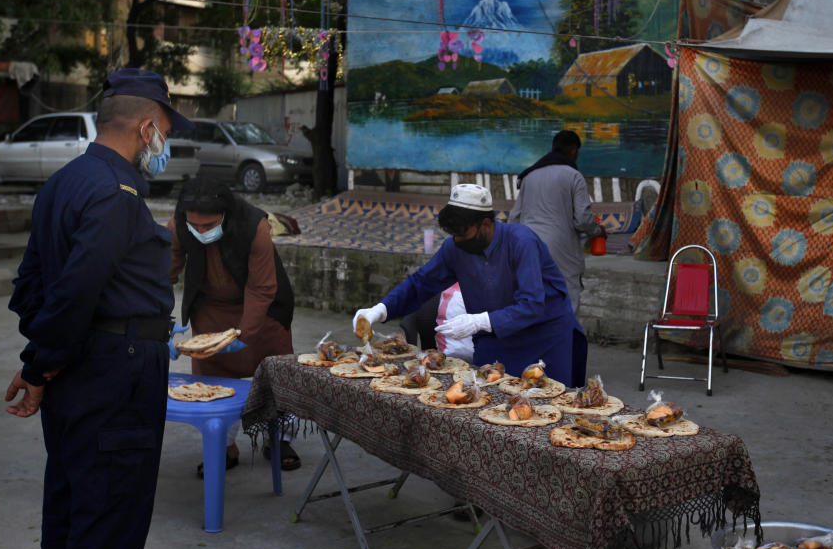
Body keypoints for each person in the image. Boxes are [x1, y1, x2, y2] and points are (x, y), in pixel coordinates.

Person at [5, 68, 193, 549]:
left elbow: (30, 289)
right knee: (107, 531)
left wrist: (42, 360)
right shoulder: (117, 193)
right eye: (166, 130)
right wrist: (43, 365)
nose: (165, 141)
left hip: (80, 375)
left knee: (68, 518)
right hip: (115, 377)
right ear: (148, 127)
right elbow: (74, 293)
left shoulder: (64, 183)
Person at [354, 184, 587, 387]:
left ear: (485, 224)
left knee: (546, 407)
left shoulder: (521, 241)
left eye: (463, 233)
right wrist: (380, 310)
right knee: (486, 404)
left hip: (545, 338)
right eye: (453, 234)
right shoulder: (455, 247)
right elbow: (420, 283)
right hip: (495, 341)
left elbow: (532, 305)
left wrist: (479, 321)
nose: (457, 241)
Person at [168, 177, 298, 474]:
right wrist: (160, 324)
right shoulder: (178, 225)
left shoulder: (255, 226)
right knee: (211, 380)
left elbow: (261, 288)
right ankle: (223, 446)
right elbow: (164, 274)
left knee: (273, 372)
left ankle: (276, 438)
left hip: (262, 309)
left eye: (208, 225)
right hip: (210, 308)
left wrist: (244, 332)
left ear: (224, 215)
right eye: (195, 226)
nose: (200, 232)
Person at [509, 129, 606, 314]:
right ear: (574, 152)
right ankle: (565, 340)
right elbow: (583, 220)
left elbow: (515, 217)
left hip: (528, 245)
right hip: (561, 248)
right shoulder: (573, 176)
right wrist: (598, 231)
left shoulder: (530, 175)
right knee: (567, 296)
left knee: (533, 296)